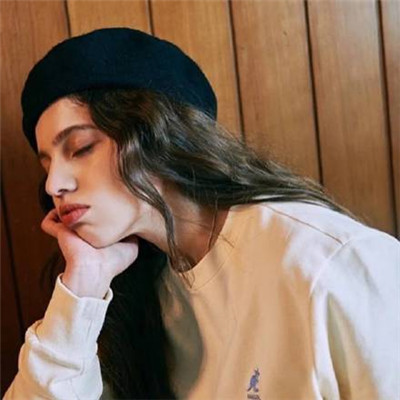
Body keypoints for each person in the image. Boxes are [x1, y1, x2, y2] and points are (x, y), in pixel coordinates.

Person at [3, 27, 399, 400]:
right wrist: (82, 287)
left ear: (158, 133)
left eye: (81, 148)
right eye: (46, 165)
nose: (54, 184)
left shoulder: (331, 262)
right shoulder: (129, 294)